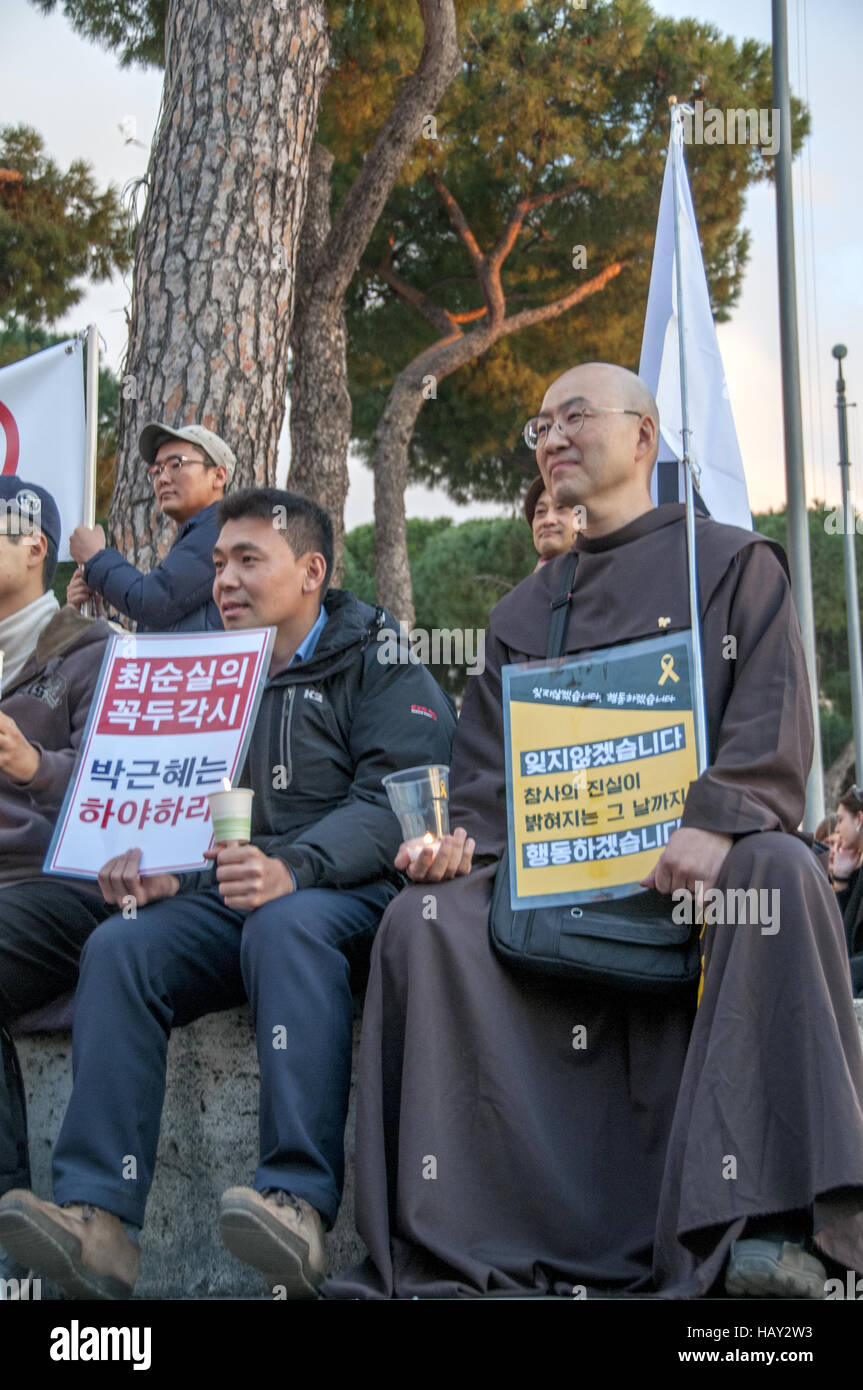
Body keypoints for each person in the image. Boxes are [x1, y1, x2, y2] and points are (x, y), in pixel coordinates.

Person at [324, 362, 863, 1301]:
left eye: (576, 415)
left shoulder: (735, 563)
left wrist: (717, 819)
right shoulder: (519, 613)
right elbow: (487, 789)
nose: (553, 437)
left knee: (778, 867)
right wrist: (462, 850)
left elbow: (774, 726)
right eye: (539, 426)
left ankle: (769, 1232)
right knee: (424, 922)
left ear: (644, 437)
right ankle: (453, 1239)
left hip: (697, 888)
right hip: (559, 893)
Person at [0, 488, 456, 1301]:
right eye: (217, 564)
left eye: (250, 560)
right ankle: (98, 1223)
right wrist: (167, 865)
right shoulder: (205, 666)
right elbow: (172, 795)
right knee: (122, 943)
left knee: (285, 927)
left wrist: (297, 867)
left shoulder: (378, 656)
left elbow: (394, 794)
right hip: (232, 891)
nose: (225, 581)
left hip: (345, 895)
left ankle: (295, 1206)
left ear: (311, 571)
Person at [0, 479, 114, 1285]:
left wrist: (33, 765)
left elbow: (120, 786)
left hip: (57, 886)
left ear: (36, 545)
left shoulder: (91, 648)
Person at [67, 422, 236, 632]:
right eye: (156, 470)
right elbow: (154, 646)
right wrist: (97, 619)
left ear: (219, 476)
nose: (162, 479)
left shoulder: (221, 530)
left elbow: (153, 601)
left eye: (176, 464)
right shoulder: (199, 536)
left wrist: (96, 558)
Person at [828, 788, 863, 995]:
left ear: (859, 819)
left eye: (841, 821)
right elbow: (843, 935)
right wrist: (840, 879)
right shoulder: (856, 873)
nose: (837, 829)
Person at [524, 474, 580, 569]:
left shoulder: (606, 578)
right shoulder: (531, 583)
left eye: (561, 507)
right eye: (540, 511)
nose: (548, 520)